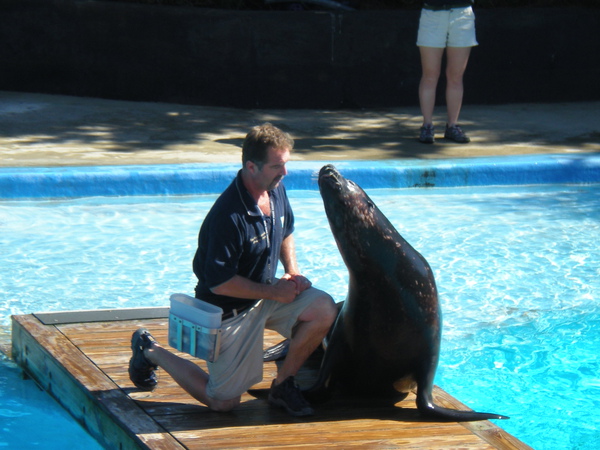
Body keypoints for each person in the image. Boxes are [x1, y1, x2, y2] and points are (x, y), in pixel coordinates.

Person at [128, 123, 337, 417]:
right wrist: (274, 291)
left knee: (324, 308)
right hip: (228, 312)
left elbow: (285, 229)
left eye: (286, 164)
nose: (285, 172)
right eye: (277, 165)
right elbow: (219, 282)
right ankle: (150, 350)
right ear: (251, 166)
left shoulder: (274, 189)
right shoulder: (229, 215)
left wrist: (292, 271)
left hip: (266, 295)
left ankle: (283, 384)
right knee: (223, 402)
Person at [417, 0, 478, 144]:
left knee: (456, 75)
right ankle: (427, 125)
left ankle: (452, 125)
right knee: (430, 75)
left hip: (462, 14)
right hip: (432, 13)